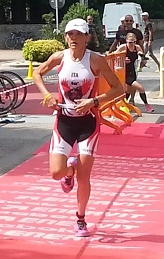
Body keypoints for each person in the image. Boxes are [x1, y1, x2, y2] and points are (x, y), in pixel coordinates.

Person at [33, 18, 123, 237]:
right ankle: (69, 170)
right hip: (64, 120)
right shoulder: (59, 57)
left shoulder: (96, 60)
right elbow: (37, 73)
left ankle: (80, 219)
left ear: (87, 38)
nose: (73, 38)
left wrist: (93, 102)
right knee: (56, 173)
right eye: (70, 35)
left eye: (78, 35)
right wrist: (47, 95)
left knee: (85, 177)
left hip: (88, 123)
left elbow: (118, 88)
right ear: (65, 37)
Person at [116, 33, 154, 112]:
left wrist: (142, 57)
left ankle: (122, 104)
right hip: (124, 72)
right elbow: (114, 57)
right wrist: (123, 59)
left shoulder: (137, 47)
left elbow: (141, 54)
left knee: (129, 90)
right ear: (126, 41)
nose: (131, 44)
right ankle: (147, 105)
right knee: (141, 88)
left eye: (133, 42)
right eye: (130, 42)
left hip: (132, 71)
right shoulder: (122, 47)